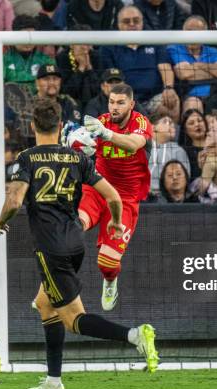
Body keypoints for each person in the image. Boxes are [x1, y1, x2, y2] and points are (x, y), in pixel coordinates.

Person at [0, 97, 158, 389]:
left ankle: (135, 336)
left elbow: (15, 201)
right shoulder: (77, 158)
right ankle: (53, 381)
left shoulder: (27, 157)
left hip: (50, 247)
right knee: (45, 305)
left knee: (73, 320)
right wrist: (117, 223)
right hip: (74, 243)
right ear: (59, 126)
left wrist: (0, 221)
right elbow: (113, 197)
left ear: (32, 126)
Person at [78, 83, 153, 311]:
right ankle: (50, 286)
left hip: (126, 198)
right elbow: (83, 144)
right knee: (72, 227)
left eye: (120, 102)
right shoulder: (100, 121)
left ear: (131, 104)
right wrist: (77, 142)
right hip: (97, 188)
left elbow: (133, 144)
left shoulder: (140, 122)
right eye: (112, 102)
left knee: (107, 263)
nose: (115, 107)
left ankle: (110, 281)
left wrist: (107, 134)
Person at [100, 5, 180, 122]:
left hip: (153, 98)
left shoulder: (154, 40)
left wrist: (168, 88)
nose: (132, 24)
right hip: (127, 99)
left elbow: (164, 66)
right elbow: (112, 80)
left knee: (173, 102)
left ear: (142, 22)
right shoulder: (110, 46)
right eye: (127, 21)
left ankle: (171, 140)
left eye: (136, 21)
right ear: (119, 24)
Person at [168, 15, 217, 110]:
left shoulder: (213, 51)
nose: (192, 36)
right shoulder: (174, 49)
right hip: (189, 96)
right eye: (189, 31)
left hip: (215, 94)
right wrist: (213, 73)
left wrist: (199, 66)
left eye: (197, 32)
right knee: (194, 104)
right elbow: (183, 73)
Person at [3, 15, 54, 94]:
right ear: (14, 36)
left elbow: (52, 84)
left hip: (40, 102)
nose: (27, 42)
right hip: (9, 102)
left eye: (31, 37)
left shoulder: (45, 58)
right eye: (23, 37)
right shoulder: (3, 58)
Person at [55, 25, 101, 111]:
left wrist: (90, 69)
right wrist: (81, 69)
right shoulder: (62, 58)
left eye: (87, 43)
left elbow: (99, 90)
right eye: (80, 42)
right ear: (71, 45)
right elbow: (65, 91)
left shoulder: (96, 57)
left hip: (94, 105)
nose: (84, 47)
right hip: (68, 105)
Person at [148, 112, 190, 195]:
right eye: (166, 122)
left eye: (172, 123)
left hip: (166, 199)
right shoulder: (140, 148)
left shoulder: (178, 151)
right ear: (152, 127)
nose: (172, 126)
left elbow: (185, 178)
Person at [84, 68, 148, 119]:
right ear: (103, 86)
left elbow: (145, 121)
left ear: (124, 85)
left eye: (118, 82)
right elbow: (90, 128)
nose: (114, 85)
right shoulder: (94, 104)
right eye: (110, 82)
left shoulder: (131, 102)